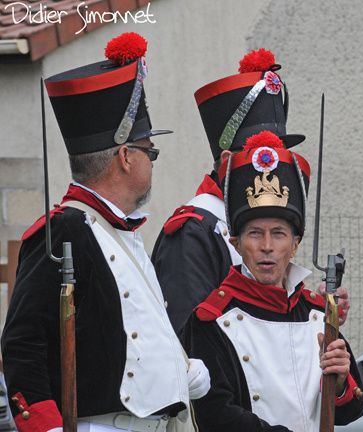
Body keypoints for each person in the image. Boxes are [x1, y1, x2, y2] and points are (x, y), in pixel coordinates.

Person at [1, 32, 210, 432]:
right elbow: (23, 344)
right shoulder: (65, 230)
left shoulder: (120, 232)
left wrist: (179, 372)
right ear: (126, 157)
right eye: (150, 151)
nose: (153, 161)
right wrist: (44, 428)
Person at [151, 48, 349, 333]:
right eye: (266, 155)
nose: (278, 165)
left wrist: (315, 308)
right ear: (229, 162)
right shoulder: (192, 231)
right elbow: (189, 335)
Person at [181, 131, 363, 431]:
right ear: (236, 243)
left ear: (295, 244)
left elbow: (352, 409)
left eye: (278, 233)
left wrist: (341, 381)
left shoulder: (317, 313)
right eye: (255, 233)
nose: (267, 246)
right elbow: (215, 417)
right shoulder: (210, 320)